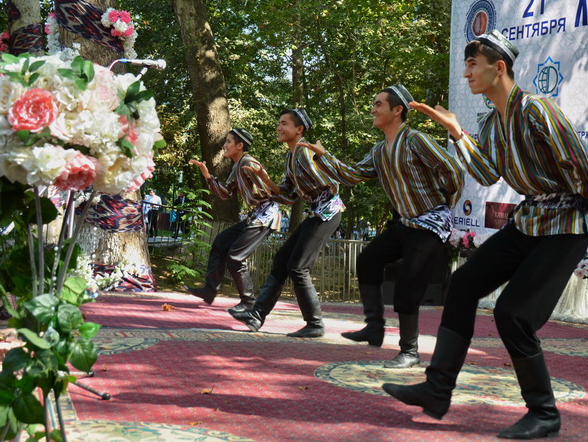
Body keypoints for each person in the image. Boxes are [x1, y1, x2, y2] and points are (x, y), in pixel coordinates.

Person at [382, 31, 588, 439]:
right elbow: (486, 173)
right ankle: (437, 390)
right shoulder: (491, 121)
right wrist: (455, 131)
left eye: (472, 64)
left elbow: (585, 169)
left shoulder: (537, 109)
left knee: (513, 314)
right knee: (464, 283)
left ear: (497, 67)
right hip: (527, 222)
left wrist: (577, 205)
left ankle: (544, 412)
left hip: (562, 228)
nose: (466, 72)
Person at [299, 84, 464, 367]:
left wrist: (445, 202)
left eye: (378, 104)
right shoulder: (378, 150)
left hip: (431, 224)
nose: (372, 109)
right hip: (406, 222)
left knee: (407, 288)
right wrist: (322, 156)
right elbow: (351, 175)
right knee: (368, 260)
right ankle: (375, 326)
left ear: (397, 110)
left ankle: (410, 352)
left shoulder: (416, 140)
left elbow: (452, 170)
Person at [231, 109, 343, 338]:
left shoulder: (304, 153)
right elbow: (287, 196)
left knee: (298, 267)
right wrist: (263, 178)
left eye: (284, 124)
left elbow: (329, 182)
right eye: (278, 123)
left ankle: (315, 324)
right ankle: (256, 315)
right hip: (316, 213)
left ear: (299, 129)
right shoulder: (290, 156)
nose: (279, 128)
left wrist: (321, 163)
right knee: (282, 260)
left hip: (328, 212)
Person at [187, 128, 281, 314]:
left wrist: (257, 186)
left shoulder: (248, 162)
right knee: (221, 242)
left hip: (266, 216)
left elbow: (267, 190)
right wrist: (207, 175)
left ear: (240, 145)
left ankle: (248, 302)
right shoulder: (237, 166)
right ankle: (209, 289)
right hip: (255, 215)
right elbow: (225, 193)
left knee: (236, 256)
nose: (225, 145)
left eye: (228, 141)